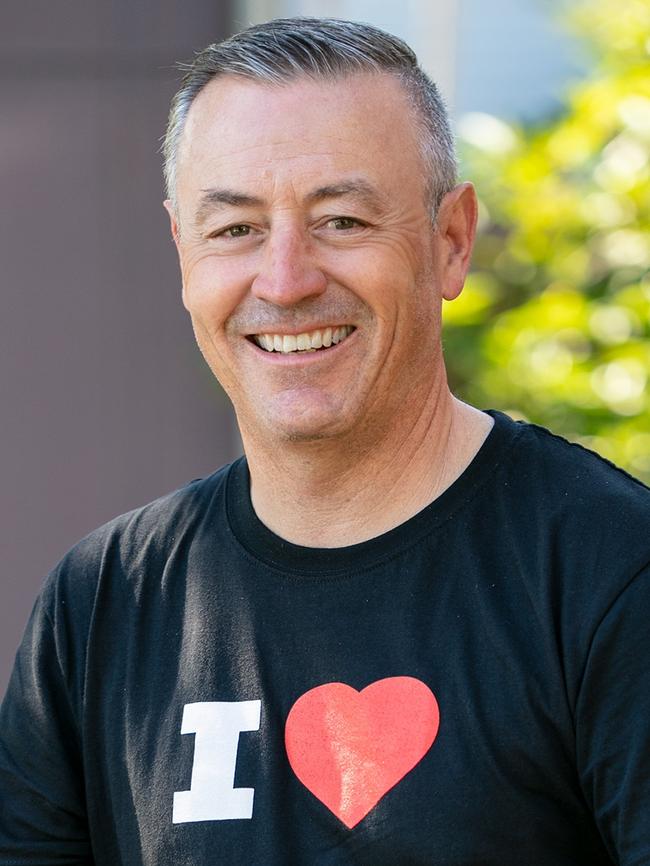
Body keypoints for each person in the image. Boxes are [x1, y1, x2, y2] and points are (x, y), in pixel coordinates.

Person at [1, 17, 649, 866]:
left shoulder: (607, 570)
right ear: (181, 251)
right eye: (235, 229)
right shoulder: (101, 605)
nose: (285, 279)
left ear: (451, 241)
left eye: (341, 220)